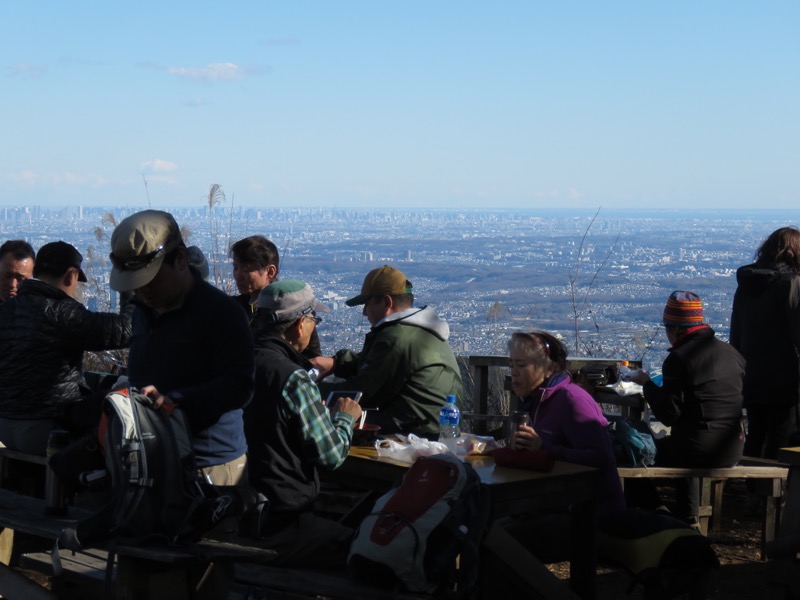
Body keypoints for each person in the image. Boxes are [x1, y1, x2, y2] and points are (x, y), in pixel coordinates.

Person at [109, 210, 254, 485]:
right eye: (136, 285)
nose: (143, 291)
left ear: (180, 259)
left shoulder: (220, 312)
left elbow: (240, 385)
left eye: (151, 280)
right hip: (150, 453)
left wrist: (177, 400)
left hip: (209, 464)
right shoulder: (144, 310)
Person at [244, 279, 361, 567]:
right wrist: (344, 418)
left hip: (233, 513)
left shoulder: (234, 361)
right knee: (362, 549)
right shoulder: (292, 378)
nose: (314, 326)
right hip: (280, 525)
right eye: (314, 319)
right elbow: (331, 456)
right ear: (299, 324)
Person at [0, 241, 133, 454]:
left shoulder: (7, 309)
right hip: (47, 428)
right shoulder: (61, 312)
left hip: (5, 425)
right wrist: (131, 289)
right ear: (71, 275)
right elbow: (125, 330)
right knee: (122, 400)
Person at [628, 291, 745, 525]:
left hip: (697, 451)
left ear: (674, 329)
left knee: (630, 458)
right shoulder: (731, 353)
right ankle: (687, 516)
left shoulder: (681, 358)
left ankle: (664, 514)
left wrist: (647, 384)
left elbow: (669, 415)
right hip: (733, 447)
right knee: (685, 441)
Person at [312, 265, 464, 438]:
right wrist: (336, 363)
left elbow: (364, 392)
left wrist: (308, 391)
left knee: (331, 418)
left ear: (386, 302)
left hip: (417, 430)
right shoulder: (419, 332)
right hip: (435, 424)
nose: (364, 312)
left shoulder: (396, 338)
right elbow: (379, 364)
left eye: (366, 304)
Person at [508, 330, 626, 516]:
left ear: (548, 368)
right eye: (511, 364)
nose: (513, 372)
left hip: (588, 518)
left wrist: (543, 448)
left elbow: (601, 458)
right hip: (551, 506)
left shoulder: (573, 400)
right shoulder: (536, 401)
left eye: (521, 365)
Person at [731, 226, 800, 460]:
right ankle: (775, 492)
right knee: (782, 436)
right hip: (786, 377)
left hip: (750, 374)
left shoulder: (747, 284)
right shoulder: (792, 284)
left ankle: (751, 488)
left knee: (757, 433)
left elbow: (736, 331)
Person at [230, 235, 321, 357]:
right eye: (235, 268)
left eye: (246, 270)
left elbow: (312, 358)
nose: (238, 275)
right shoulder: (234, 307)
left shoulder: (293, 309)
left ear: (270, 271)